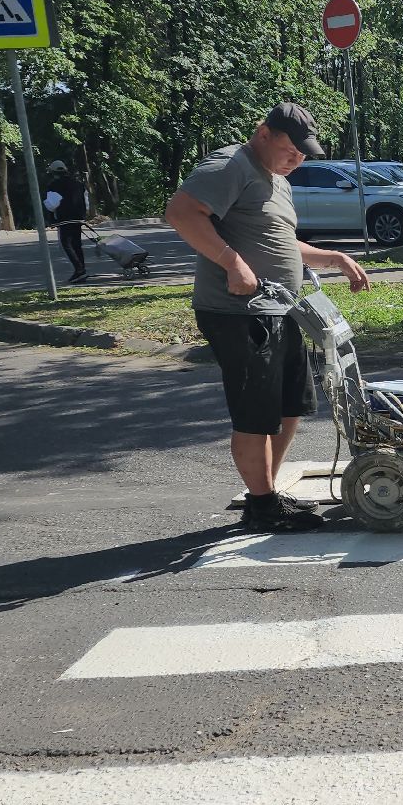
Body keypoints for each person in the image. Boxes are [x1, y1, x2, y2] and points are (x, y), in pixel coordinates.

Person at [164, 102, 371, 533]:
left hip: (282, 308)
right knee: (257, 411)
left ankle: (267, 493)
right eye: (291, 149)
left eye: (303, 153)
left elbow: (281, 242)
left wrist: (334, 257)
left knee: (291, 405)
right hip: (240, 313)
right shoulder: (230, 165)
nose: (297, 159)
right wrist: (231, 263)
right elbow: (181, 213)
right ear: (263, 133)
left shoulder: (277, 181)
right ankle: (261, 505)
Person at [44, 161, 89, 284]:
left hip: (65, 218)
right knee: (77, 244)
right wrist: (83, 215)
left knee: (66, 244)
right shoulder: (78, 184)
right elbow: (86, 201)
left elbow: (52, 204)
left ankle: (79, 269)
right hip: (78, 217)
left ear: (53, 173)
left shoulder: (54, 185)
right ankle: (81, 269)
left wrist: (51, 220)